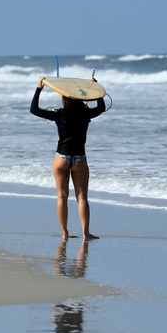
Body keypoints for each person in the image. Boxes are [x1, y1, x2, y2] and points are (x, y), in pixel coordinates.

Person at [31, 77, 106, 240]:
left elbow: (34, 110)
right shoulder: (86, 114)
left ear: (64, 98)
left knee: (61, 197)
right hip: (79, 158)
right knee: (82, 198)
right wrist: (93, 87)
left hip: (61, 159)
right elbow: (101, 106)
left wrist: (39, 88)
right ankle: (86, 234)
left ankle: (65, 233)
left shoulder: (59, 115)